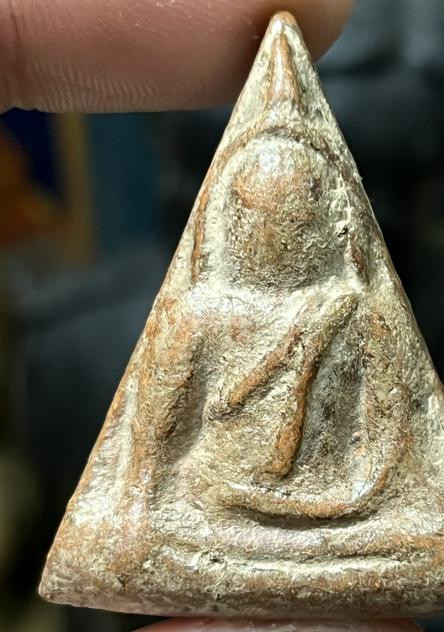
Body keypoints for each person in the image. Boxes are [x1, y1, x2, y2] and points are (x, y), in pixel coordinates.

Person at [1, 1, 422, 630]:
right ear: (233, 219)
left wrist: (339, 506)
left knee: (434, 551)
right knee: (122, 550)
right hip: (216, 513)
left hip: (338, 522)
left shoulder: (359, 315)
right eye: (262, 214)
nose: (280, 232)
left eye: (299, 213)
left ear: (330, 218)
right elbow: (145, 478)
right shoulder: (197, 317)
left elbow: (392, 471)